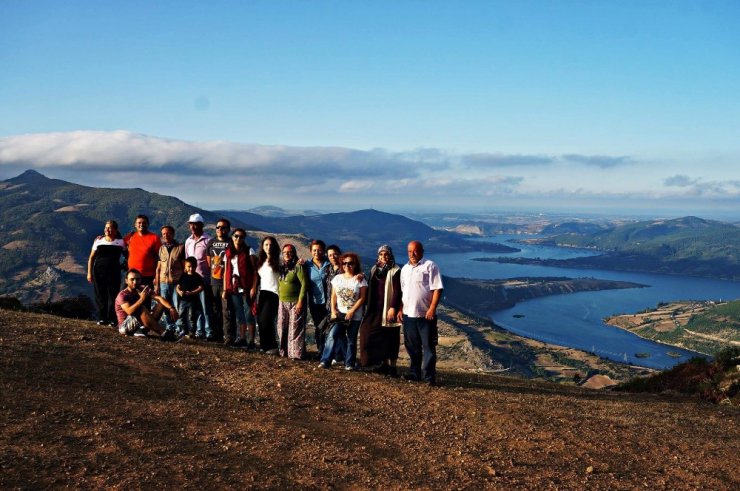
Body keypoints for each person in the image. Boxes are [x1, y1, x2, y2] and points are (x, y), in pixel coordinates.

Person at [397, 240, 443, 385]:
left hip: (426, 315)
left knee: (428, 346)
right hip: (408, 314)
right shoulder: (404, 269)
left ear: (422, 251)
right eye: (410, 251)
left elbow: (437, 288)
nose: (412, 254)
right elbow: (402, 292)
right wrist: (400, 309)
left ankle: (429, 377)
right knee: (412, 346)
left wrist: (432, 308)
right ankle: (415, 373)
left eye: (415, 251)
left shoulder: (430, 265)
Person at [319, 252, 367, 370]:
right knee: (332, 335)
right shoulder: (338, 278)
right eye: (344, 263)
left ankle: (349, 363)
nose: (347, 265)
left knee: (351, 339)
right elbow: (333, 296)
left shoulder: (360, 280)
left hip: (355, 315)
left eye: (350, 263)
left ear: (355, 264)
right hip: (340, 314)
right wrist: (334, 310)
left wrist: (352, 311)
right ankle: (325, 361)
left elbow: (362, 298)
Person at [359, 245, 402, 377]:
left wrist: (393, 307)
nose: (383, 257)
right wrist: (361, 278)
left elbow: (397, 291)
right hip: (374, 309)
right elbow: (372, 287)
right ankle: (376, 363)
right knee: (366, 331)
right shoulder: (374, 269)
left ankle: (392, 368)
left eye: (386, 255)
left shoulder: (395, 270)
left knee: (391, 336)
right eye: (381, 255)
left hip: (388, 309)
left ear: (390, 255)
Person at [115, 268, 178, 341]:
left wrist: (171, 308)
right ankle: (164, 333)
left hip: (138, 322)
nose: (135, 282)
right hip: (125, 325)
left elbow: (159, 298)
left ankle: (142, 330)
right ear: (126, 281)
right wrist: (142, 299)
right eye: (132, 279)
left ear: (141, 280)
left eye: (137, 279)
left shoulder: (143, 288)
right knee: (141, 308)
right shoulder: (122, 295)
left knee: (161, 304)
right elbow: (129, 311)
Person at [87, 220, 126, 326]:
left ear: (115, 230)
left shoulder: (121, 242)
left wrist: (123, 266)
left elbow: (128, 255)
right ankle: (102, 318)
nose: (107, 230)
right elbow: (91, 258)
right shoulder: (98, 241)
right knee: (100, 295)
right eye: (105, 228)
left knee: (113, 296)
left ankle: (113, 319)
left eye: (109, 228)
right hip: (99, 272)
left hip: (114, 272)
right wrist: (89, 273)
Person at [223, 229, 258, 348]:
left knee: (249, 314)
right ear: (232, 237)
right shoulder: (228, 252)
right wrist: (225, 289)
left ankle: (251, 341)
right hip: (234, 287)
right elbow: (226, 271)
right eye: (236, 236)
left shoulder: (249, 251)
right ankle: (242, 338)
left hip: (247, 287)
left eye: (241, 237)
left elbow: (255, 271)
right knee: (239, 314)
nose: (238, 239)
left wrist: (254, 287)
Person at [185, 213, 214, 340]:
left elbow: (211, 262)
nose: (193, 227)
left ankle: (208, 332)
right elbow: (187, 260)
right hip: (191, 279)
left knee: (205, 307)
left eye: (195, 224)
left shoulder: (208, 240)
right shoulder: (188, 241)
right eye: (191, 224)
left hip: (204, 279)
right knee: (194, 307)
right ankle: (197, 330)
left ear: (201, 225)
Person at [277, 244, 308, 359]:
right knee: (281, 327)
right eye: (284, 252)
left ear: (294, 253)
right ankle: (284, 351)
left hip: (295, 301)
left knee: (295, 328)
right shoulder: (282, 266)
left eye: (289, 252)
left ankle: (295, 353)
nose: (287, 254)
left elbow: (304, 284)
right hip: (282, 301)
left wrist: (300, 301)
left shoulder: (298, 266)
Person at [154, 225, 185, 334]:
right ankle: (169, 327)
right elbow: (158, 268)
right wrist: (157, 284)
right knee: (165, 306)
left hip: (176, 282)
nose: (166, 236)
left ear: (173, 234)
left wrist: (182, 282)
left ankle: (178, 328)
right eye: (163, 234)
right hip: (163, 283)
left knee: (176, 306)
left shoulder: (180, 248)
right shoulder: (161, 249)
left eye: (168, 233)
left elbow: (184, 267)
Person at [207, 218, 233, 344]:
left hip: (226, 282)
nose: (220, 229)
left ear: (228, 230)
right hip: (214, 282)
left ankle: (228, 337)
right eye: (218, 227)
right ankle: (217, 335)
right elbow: (208, 261)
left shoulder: (231, 243)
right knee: (215, 310)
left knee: (227, 311)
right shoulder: (211, 243)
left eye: (223, 227)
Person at [304, 240, 331, 355]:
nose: (317, 252)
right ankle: (321, 351)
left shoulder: (329, 264)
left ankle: (330, 352)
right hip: (315, 302)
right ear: (310, 251)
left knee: (329, 327)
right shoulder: (307, 265)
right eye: (314, 250)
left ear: (323, 251)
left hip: (329, 302)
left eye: (319, 250)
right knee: (318, 327)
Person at [256, 236, 280, 352]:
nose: (268, 247)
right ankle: (264, 345)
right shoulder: (261, 261)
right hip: (263, 292)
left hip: (274, 293)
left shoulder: (278, 261)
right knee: (260, 320)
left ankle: (272, 346)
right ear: (263, 246)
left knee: (267, 320)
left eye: (271, 245)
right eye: (266, 245)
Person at [124, 215, 161, 287]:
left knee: (146, 297)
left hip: (148, 276)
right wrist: (104, 237)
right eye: (139, 223)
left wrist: (157, 276)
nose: (141, 225)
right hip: (131, 275)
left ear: (148, 224)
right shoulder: (131, 236)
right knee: (125, 297)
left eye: (144, 223)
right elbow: (117, 242)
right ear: (135, 225)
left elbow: (159, 258)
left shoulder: (154, 238)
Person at [175, 257, 205, 338]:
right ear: (185, 266)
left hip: (193, 301)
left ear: (196, 266)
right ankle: (183, 330)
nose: (191, 269)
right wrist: (179, 291)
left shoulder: (197, 276)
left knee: (192, 317)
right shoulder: (183, 276)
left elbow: (201, 287)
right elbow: (177, 286)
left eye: (193, 267)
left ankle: (192, 332)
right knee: (181, 315)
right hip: (183, 300)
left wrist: (192, 293)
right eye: (189, 267)